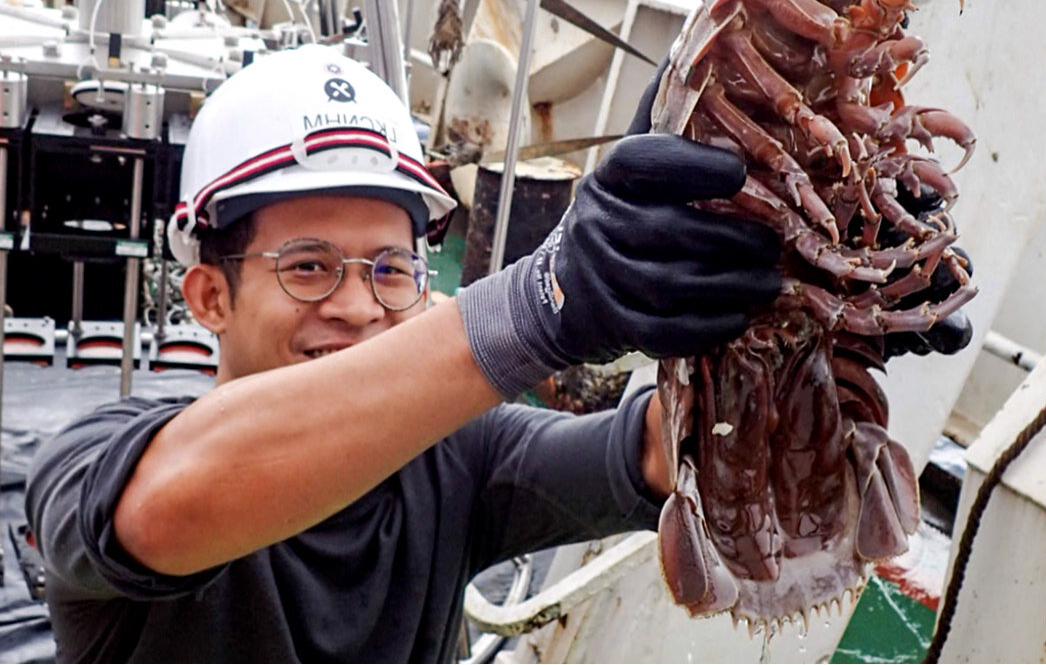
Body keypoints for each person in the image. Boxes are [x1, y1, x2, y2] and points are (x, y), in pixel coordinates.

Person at [24, 44, 967, 662]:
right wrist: (541, 303)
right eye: (308, 267)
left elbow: (655, 447)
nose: (357, 307)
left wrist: (811, 297)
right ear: (209, 294)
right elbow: (168, 508)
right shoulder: (90, 463)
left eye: (391, 270)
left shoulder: (461, 460)